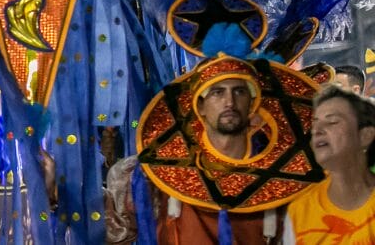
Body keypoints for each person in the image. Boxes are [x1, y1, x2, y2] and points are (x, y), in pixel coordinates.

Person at [106, 59, 284, 244]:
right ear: (200, 106)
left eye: (239, 91)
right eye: (217, 92)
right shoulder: (153, 173)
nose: (229, 102)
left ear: (252, 104)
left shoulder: (279, 181)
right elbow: (111, 233)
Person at [284, 85, 375, 243]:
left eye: (332, 122)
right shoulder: (299, 211)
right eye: (315, 124)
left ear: (365, 136)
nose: (317, 130)